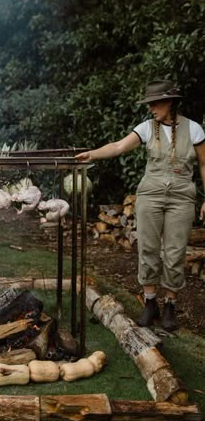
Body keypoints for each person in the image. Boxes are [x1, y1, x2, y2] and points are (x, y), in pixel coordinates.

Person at [75, 80, 205, 331]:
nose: (151, 108)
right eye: (150, 104)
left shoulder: (195, 130)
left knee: (175, 252)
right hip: (150, 196)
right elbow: (118, 146)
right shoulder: (146, 128)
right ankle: (150, 303)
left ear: (170, 102)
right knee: (147, 248)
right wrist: (92, 154)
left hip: (182, 197)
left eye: (155, 103)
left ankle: (170, 306)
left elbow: (203, 165)